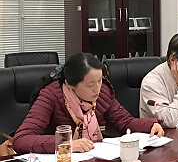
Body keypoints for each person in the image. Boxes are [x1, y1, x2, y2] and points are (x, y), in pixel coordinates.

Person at [13, 53, 163, 154]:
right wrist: (66, 144)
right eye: (90, 85)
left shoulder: (102, 92)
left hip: (91, 159)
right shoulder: (50, 96)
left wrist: (150, 125)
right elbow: (21, 139)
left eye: (100, 81)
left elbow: (125, 122)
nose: (97, 89)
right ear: (70, 84)